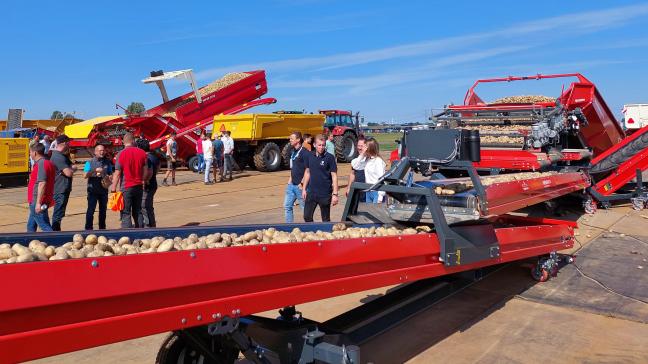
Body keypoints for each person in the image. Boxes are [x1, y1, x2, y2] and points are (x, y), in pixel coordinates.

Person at [111, 133, 148, 228]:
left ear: (124, 142)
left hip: (126, 187)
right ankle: (140, 232)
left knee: (126, 212)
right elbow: (146, 171)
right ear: (133, 141)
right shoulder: (142, 153)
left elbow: (117, 173)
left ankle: (127, 235)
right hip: (139, 186)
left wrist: (113, 188)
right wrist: (143, 181)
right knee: (138, 211)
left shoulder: (120, 154)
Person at [302, 134, 339, 222]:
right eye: (319, 145)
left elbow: (334, 176)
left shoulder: (330, 157)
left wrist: (335, 194)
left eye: (323, 145)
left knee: (325, 219)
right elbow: (307, 172)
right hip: (311, 193)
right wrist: (304, 189)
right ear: (314, 145)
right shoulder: (309, 156)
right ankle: (312, 233)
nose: (321, 147)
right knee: (307, 217)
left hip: (325, 194)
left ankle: (326, 234)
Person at [26, 143, 55, 232]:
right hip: (40, 200)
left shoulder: (41, 164)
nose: (30, 154)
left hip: (37, 201)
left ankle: (55, 242)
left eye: (30, 152)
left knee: (45, 226)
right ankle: (30, 242)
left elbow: (42, 183)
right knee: (31, 226)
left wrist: (38, 203)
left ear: (35, 153)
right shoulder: (48, 163)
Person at [83, 144, 113, 230]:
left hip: (103, 190)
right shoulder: (89, 162)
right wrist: (94, 170)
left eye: (103, 150)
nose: (102, 152)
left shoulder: (107, 162)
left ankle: (102, 228)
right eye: (100, 150)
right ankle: (88, 229)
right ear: (95, 152)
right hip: (92, 190)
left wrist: (107, 176)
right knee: (90, 210)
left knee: (103, 211)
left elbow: (111, 175)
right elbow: (84, 175)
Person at [50, 134, 76, 231]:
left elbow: (71, 167)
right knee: (58, 213)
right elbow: (69, 172)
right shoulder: (58, 157)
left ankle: (56, 230)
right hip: (60, 189)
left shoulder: (62, 156)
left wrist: (71, 168)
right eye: (68, 143)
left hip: (63, 188)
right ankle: (55, 232)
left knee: (60, 213)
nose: (69, 145)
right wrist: (72, 169)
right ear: (64, 143)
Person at [284, 131, 308, 223]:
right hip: (291, 185)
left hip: (300, 186)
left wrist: (302, 183)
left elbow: (308, 169)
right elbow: (293, 167)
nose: (290, 140)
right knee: (287, 206)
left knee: (305, 209)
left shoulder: (304, 153)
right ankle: (289, 227)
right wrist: (289, 181)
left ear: (298, 140)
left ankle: (309, 227)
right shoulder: (293, 151)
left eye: (292, 138)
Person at [136, 138, 160, 228]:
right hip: (153, 184)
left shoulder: (146, 158)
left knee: (144, 206)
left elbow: (149, 171)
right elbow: (157, 169)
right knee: (148, 206)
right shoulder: (154, 157)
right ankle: (149, 224)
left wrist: (144, 181)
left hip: (147, 186)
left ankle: (149, 226)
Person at [363, 138, 387, 203]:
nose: (363, 148)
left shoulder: (378, 161)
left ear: (370, 148)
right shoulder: (367, 160)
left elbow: (381, 179)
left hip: (376, 192)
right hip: (368, 191)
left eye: (365, 147)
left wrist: (380, 196)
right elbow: (355, 165)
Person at [346, 137, 367, 201]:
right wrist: (349, 187)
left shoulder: (369, 159)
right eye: (358, 145)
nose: (359, 148)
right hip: (357, 188)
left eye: (361, 146)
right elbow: (352, 174)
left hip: (367, 189)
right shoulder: (355, 159)